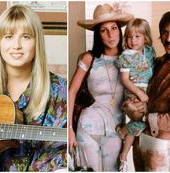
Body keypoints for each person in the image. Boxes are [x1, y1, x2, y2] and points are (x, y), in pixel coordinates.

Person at [0, 4, 67, 172]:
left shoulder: (58, 89)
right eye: (8, 36)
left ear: (37, 41)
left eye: (25, 37)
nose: (16, 45)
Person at [122, 11, 170, 171]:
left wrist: (142, 117)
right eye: (165, 32)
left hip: (158, 147)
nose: (168, 38)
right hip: (139, 140)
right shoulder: (159, 62)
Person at [68, 3, 133, 171]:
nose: (111, 35)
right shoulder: (89, 58)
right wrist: (69, 130)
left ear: (120, 30)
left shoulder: (130, 60)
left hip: (116, 129)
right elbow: (72, 91)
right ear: (98, 34)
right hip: (88, 126)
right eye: (104, 30)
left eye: (114, 28)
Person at [114, 18, 155, 171]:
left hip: (146, 91)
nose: (133, 40)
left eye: (137, 36)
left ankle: (123, 134)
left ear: (145, 37)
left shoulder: (149, 51)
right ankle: (124, 154)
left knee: (143, 121)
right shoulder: (126, 56)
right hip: (132, 91)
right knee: (140, 118)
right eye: (129, 37)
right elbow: (125, 80)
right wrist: (138, 93)